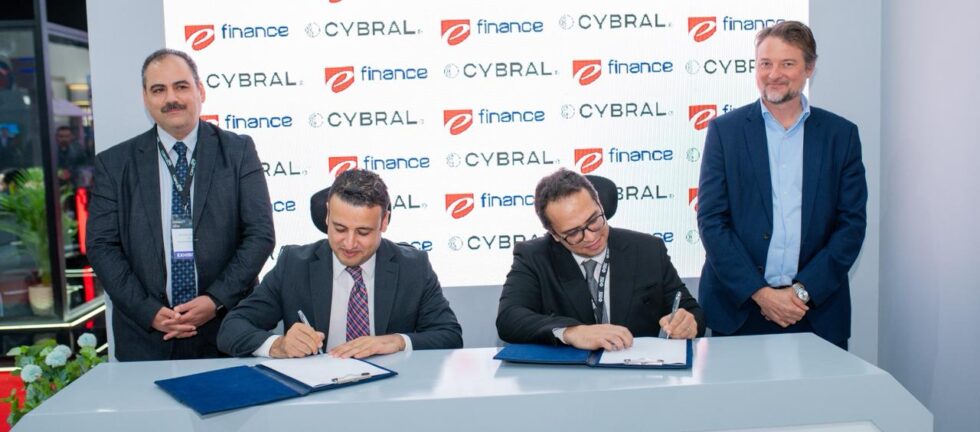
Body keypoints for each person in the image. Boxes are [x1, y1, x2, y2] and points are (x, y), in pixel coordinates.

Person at [86, 48, 275, 361]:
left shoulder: (238, 151)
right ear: (145, 98)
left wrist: (215, 300)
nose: (171, 98)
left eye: (181, 86)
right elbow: (101, 246)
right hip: (146, 338)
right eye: (158, 90)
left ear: (200, 91)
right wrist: (148, 311)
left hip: (226, 331)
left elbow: (260, 234)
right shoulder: (114, 164)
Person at [697, 21, 867, 349]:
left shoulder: (840, 135)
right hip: (740, 311)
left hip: (816, 311)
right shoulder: (725, 132)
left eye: (787, 63)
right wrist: (761, 294)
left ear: (809, 68)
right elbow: (712, 221)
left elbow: (851, 225)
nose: (773, 74)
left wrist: (802, 292)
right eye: (765, 63)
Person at [218, 169, 463, 359]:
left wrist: (396, 341)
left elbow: (449, 335)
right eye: (340, 228)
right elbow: (232, 328)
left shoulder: (414, 267)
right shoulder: (294, 265)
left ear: (384, 222)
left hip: (391, 395)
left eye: (363, 232)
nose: (349, 243)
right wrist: (278, 345)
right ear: (327, 215)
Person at [497, 169, 703, 351]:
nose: (590, 237)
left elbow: (691, 310)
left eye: (594, 220)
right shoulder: (534, 257)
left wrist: (687, 323)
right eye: (573, 233)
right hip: (569, 378)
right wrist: (572, 332)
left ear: (600, 205)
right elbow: (509, 318)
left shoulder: (648, 249)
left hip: (639, 373)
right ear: (555, 235)